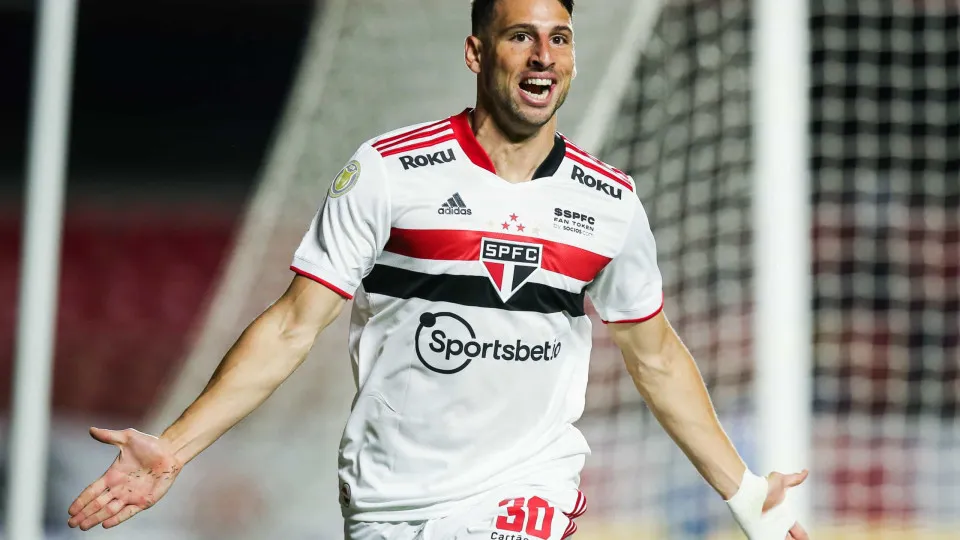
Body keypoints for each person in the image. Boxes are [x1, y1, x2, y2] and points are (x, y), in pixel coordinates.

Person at [67, 0, 809, 538]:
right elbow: (293, 326)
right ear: (477, 53)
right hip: (386, 499)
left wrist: (746, 494)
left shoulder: (609, 202)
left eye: (559, 38)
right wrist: (175, 446)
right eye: (521, 36)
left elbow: (657, 358)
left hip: (526, 490)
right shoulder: (391, 172)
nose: (544, 55)